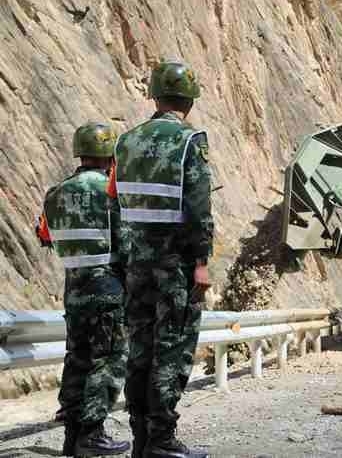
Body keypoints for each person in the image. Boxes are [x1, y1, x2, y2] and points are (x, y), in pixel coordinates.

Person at [108, 60, 213, 458]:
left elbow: (114, 204)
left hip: (136, 266)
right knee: (171, 348)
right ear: (189, 100)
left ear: (154, 96)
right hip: (174, 265)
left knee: (140, 349)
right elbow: (197, 206)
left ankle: (141, 439)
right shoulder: (190, 140)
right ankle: (162, 440)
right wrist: (200, 261)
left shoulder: (126, 141)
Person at [36, 122, 130, 457]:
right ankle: (92, 434)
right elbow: (127, 241)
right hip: (107, 288)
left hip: (73, 288)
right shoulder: (111, 190)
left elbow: (45, 237)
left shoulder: (55, 192)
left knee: (77, 357)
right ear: (109, 153)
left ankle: (72, 437)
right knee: (108, 358)